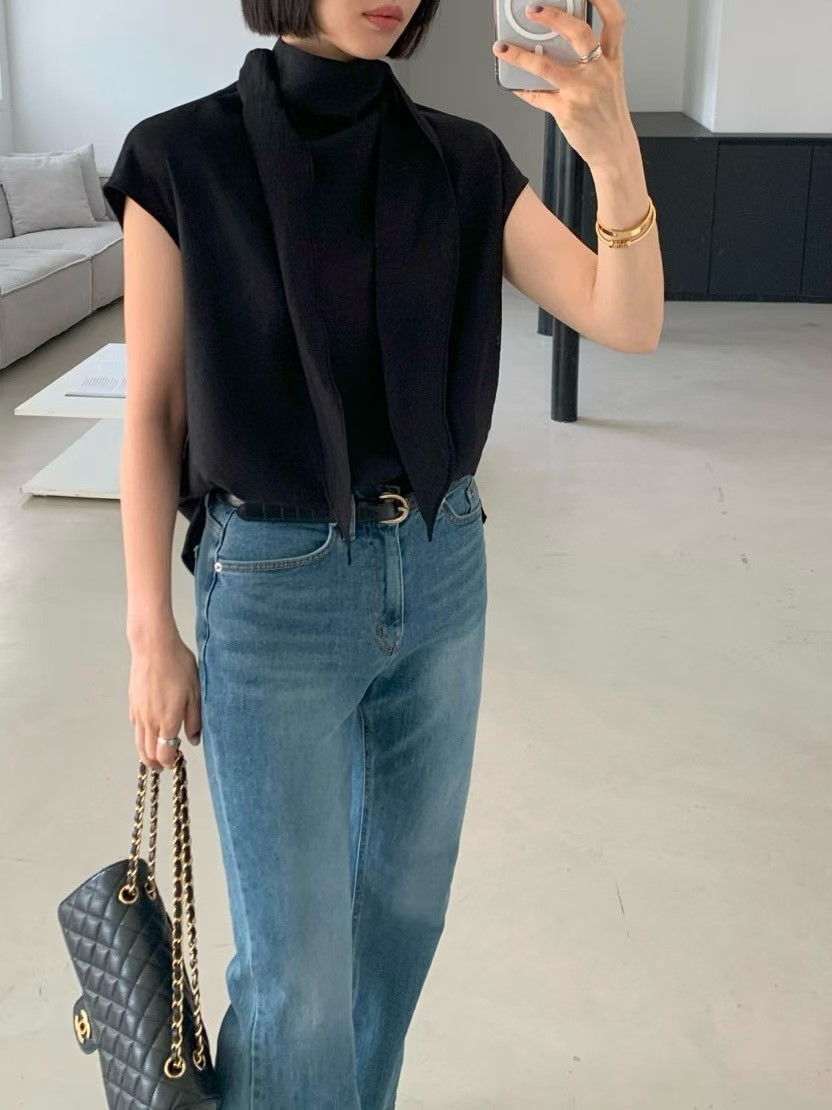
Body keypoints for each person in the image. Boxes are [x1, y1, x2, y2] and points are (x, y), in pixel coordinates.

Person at [104, 1, 662, 1106]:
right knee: (298, 981)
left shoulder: (462, 161)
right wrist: (148, 631)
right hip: (272, 589)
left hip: (443, 572)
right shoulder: (179, 159)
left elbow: (626, 318)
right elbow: (153, 412)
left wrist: (612, 152)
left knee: (400, 928)